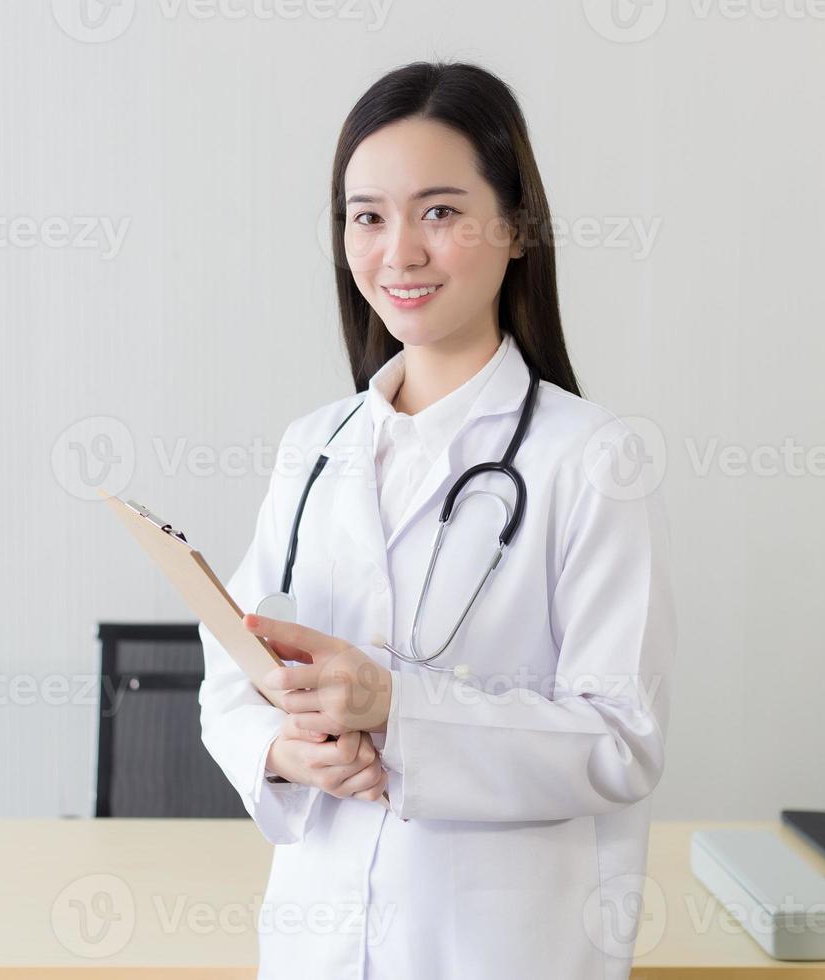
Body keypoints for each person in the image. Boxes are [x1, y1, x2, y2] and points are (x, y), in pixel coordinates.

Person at [198, 60, 675, 980]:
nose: (398, 252)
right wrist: (284, 749)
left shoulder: (593, 460)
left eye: (441, 212)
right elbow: (233, 677)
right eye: (367, 215)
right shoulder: (314, 447)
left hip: (501, 952)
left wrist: (397, 709)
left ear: (517, 228)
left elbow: (622, 739)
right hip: (318, 944)